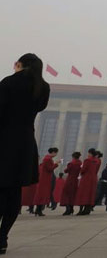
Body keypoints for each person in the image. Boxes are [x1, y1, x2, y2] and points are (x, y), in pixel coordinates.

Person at [0, 54, 50, 254]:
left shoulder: (8, 82)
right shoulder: (42, 87)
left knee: (1, 189)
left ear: (20, 64)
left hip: (4, 140)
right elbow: (40, 107)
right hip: (25, 142)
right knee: (14, 192)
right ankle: (3, 237)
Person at [33, 147, 59, 216]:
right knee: (42, 194)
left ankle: (38, 210)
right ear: (53, 152)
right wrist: (56, 164)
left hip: (45, 179)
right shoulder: (48, 159)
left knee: (42, 194)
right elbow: (50, 169)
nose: (56, 154)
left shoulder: (47, 158)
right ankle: (38, 210)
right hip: (44, 179)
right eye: (56, 153)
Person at [75, 148, 100, 215]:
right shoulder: (97, 161)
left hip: (86, 179)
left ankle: (81, 210)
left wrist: (81, 172)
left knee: (83, 194)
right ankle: (87, 209)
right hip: (93, 179)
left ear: (90, 153)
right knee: (90, 194)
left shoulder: (87, 160)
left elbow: (83, 170)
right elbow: (96, 170)